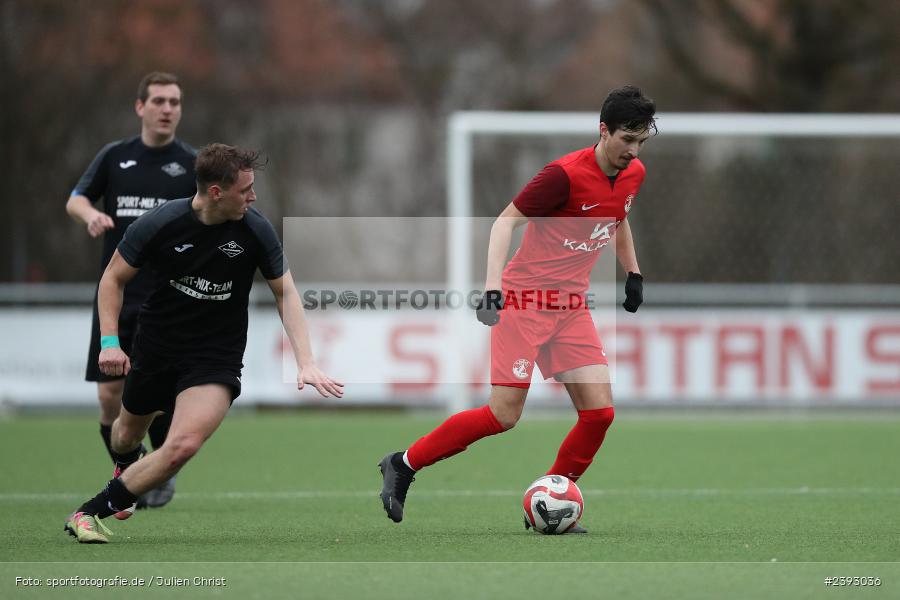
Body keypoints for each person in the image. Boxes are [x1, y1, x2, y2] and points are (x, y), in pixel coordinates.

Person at [379, 85, 655, 533]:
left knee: (600, 413)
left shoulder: (633, 173)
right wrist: (492, 289)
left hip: (571, 308)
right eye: (627, 139)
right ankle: (402, 464)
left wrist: (634, 272)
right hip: (525, 302)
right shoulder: (562, 175)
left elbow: (617, 220)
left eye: (641, 141)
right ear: (603, 131)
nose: (633, 150)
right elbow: (504, 222)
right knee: (503, 415)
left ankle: (553, 498)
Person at [64, 143, 343, 543]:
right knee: (124, 436)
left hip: (215, 357)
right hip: (158, 345)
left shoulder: (255, 229)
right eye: (245, 189)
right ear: (216, 192)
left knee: (182, 446)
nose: (253, 196)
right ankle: (126, 468)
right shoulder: (160, 223)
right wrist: (110, 342)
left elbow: (286, 293)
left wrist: (306, 361)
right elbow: (113, 279)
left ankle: (88, 512)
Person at [66, 72, 197, 509]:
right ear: (140, 107)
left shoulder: (192, 165)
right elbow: (76, 198)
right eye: (159, 100)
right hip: (116, 294)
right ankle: (128, 468)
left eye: (174, 102)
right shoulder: (115, 157)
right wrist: (89, 215)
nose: (167, 109)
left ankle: (155, 472)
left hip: (166, 299)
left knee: (157, 397)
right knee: (109, 397)